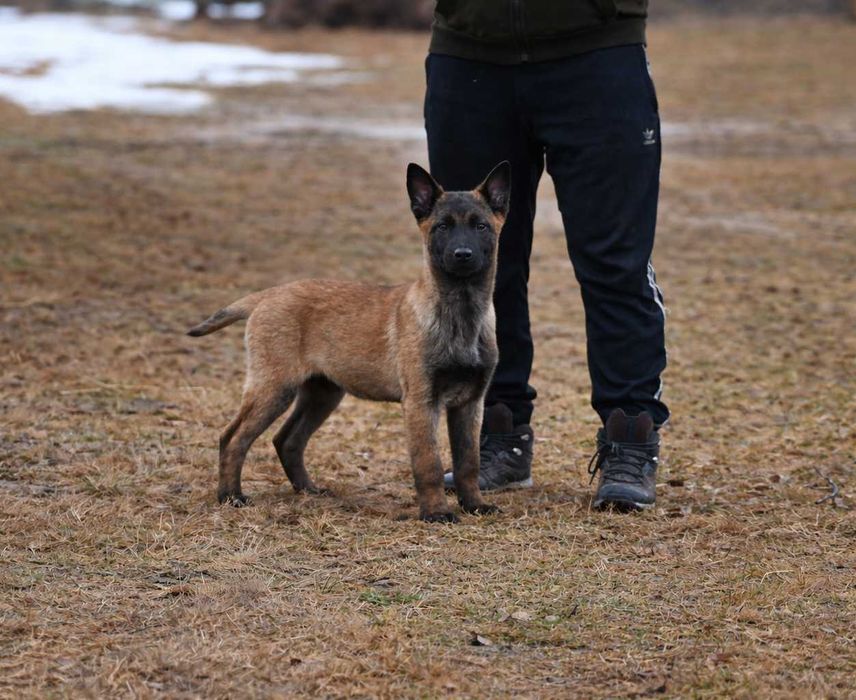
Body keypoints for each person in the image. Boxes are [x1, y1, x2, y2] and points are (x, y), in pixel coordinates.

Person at [425, 0, 669, 510]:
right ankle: (499, 435)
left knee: (614, 262)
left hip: (597, 55)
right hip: (471, 58)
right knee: (478, 260)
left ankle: (630, 439)